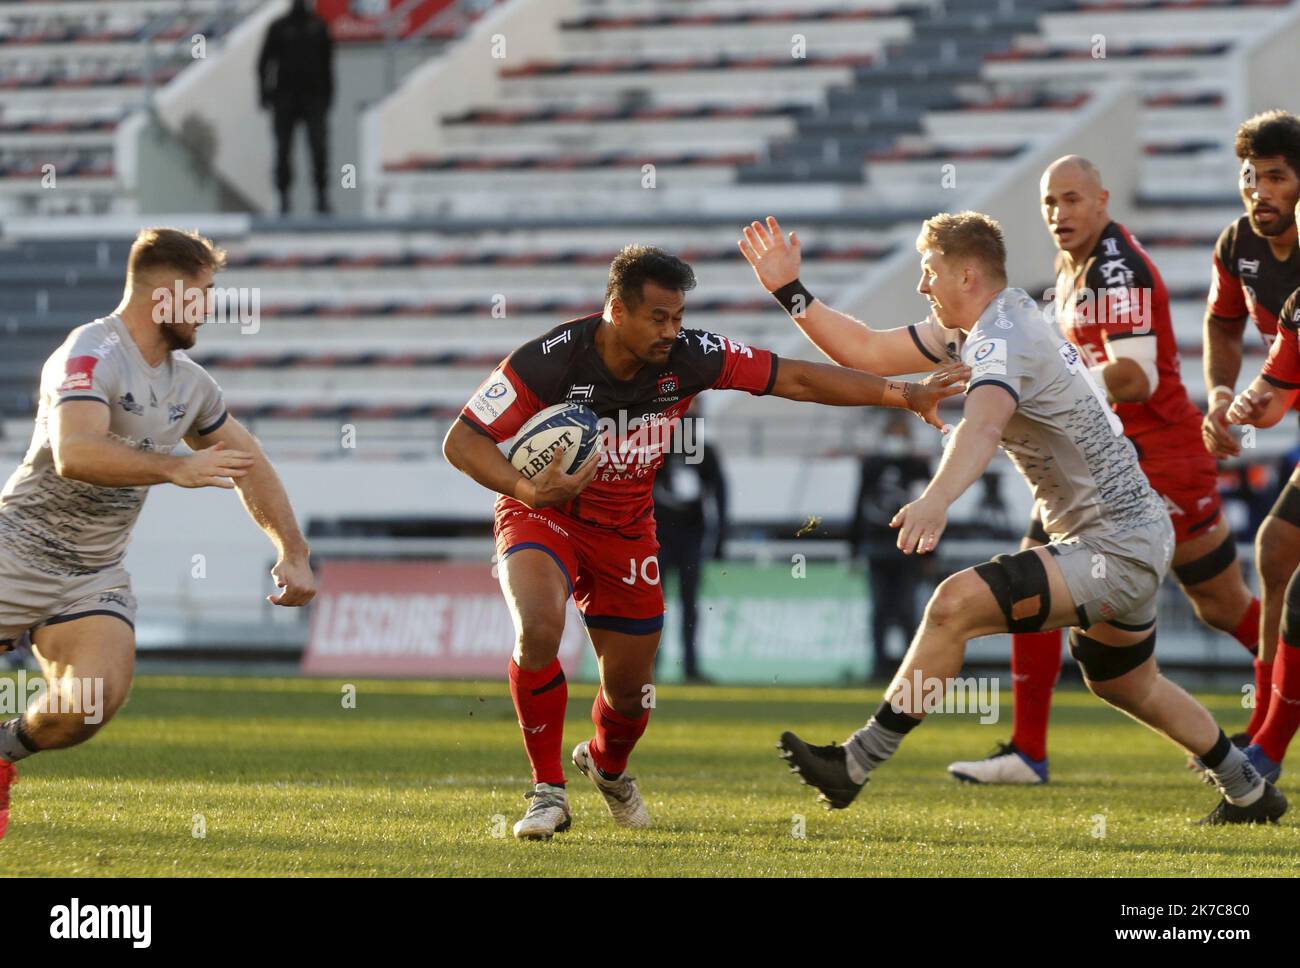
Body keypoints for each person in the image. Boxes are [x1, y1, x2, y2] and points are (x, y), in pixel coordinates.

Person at [738, 211, 1285, 824]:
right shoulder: (985, 325)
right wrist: (791, 290)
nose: (923, 286)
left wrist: (936, 498)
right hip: (1127, 534)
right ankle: (1249, 791)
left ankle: (855, 763)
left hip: (1114, 543)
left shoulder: (1002, 336)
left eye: (930, 272)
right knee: (1127, 684)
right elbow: (865, 349)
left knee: (953, 605)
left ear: (966, 274)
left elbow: (983, 425)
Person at [442, 244, 965, 840]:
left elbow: (792, 377)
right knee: (538, 627)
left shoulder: (693, 357)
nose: (672, 330)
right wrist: (525, 488)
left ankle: (609, 767)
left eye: (679, 317)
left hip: (628, 532)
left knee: (633, 697)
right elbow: (462, 440)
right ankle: (548, 791)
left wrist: (903, 394)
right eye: (658, 318)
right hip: (544, 515)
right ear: (616, 309)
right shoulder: (550, 361)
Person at [948, 155, 1262, 785]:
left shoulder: (1117, 266)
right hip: (1101, 462)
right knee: (1032, 565)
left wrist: (1054, 386)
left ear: (1101, 200)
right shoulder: (1072, 271)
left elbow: (1138, 375)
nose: (1058, 213)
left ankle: (1274, 711)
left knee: (1222, 604)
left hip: (1160, 458)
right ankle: (1027, 751)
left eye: (1070, 199)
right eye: (1048, 203)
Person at [0, 227, 317, 839]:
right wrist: (176, 466)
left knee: (93, 702)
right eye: (204, 293)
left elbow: (248, 462)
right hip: (17, 553)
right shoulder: (89, 353)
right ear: (166, 294)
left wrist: (293, 552)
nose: (211, 308)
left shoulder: (189, 385)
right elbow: (75, 451)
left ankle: (3, 751)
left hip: (91, 576)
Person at [1201, 111, 1300, 733]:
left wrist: (1265, 396)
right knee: (1276, 549)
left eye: (1275, 176)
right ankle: (1265, 723)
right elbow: (1222, 322)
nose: (1258, 189)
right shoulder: (1238, 244)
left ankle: (1267, 733)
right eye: (1249, 176)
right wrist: (1219, 389)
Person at [1222, 212, 1300, 782]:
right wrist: (1244, 404)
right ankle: (1265, 739)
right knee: (1277, 550)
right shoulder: (1297, 306)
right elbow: (1276, 392)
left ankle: (1265, 749)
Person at [849, 411, 930, 678]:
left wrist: (930, 549)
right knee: (880, 608)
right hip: (877, 546)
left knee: (908, 609)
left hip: (907, 548)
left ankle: (911, 666)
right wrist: (854, 546)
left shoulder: (918, 467)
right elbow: (859, 504)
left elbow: (931, 508)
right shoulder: (871, 465)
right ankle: (879, 665)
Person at [652, 411, 727, 684]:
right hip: (659, 540)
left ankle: (690, 667)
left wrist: (719, 539)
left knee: (688, 605)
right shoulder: (657, 451)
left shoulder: (705, 454)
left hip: (689, 539)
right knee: (656, 606)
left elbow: (720, 495)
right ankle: (652, 666)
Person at [258, 0, 335, 216]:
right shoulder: (279, 27)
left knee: (319, 149)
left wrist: (329, 96)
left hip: (314, 97)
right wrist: (263, 94)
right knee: (283, 150)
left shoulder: (319, 27)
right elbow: (264, 62)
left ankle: (321, 198)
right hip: (285, 97)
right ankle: (284, 200)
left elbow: (328, 63)